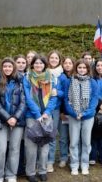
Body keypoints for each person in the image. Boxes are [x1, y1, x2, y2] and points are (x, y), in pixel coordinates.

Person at [0, 58, 26, 182]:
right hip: (0, 120)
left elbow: (23, 102)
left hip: (17, 121)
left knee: (15, 149)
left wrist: (15, 117)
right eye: (5, 66)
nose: (8, 68)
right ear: (1, 67)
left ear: (14, 68)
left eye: (10, 66)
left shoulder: (20, 81)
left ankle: (11, 175)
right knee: (0, 149)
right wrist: (8, 118)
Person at [24, 54, 58, 182]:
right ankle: (30, 172)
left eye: (41, 63)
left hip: (47, 116)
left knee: (44, 147)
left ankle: (42, 170)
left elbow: (54, 97)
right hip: (32, 116)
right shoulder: (27, 77)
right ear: (32, 64)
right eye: (36, 63)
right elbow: (27, 97)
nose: (39, 65)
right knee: (31, 147)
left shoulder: (51, 78)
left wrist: (47, 112)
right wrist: (37, 114)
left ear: (45, 65)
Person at [62, 59, 99, 176]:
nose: (82, 70)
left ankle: (84, 164)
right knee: (73, 142)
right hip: (73, 116)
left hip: (88, 117)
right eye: (79, 67)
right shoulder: (69, 81)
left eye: (84, 68)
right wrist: (74, 113)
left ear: (88, 69)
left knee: (86, 142)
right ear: (76, 68)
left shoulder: (93, 82)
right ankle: (74, 164)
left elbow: (94, 100)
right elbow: (66, 100)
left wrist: (85, 113)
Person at [46, 50, 64, 173]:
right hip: (43, 109)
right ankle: (40, 160)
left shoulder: (62, 75)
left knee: (52, 136)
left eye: (56, 58)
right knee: (43, 135)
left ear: (59, 60)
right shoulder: (43, 72)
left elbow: (66, 92)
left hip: (56, 109)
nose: (53, 60)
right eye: (51, 57)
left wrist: (58, 93)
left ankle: (50, 162)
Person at [56, 57, 74, 168]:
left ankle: (73, 157)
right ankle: (63, 157)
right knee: (63, 137)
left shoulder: (76, 77)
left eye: (70, 63)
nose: (67, 65)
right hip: (62, 112)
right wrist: (62, 112)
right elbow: (62, 97)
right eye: (65, 63)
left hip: (74, 112)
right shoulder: (60, 77)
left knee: (73, 137)